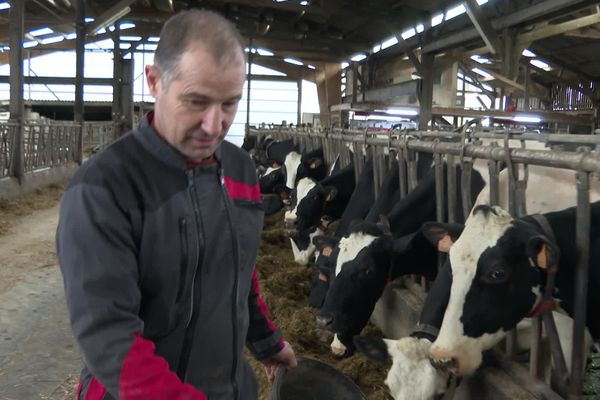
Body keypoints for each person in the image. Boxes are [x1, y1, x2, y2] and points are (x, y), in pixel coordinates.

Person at [56, 9, 297, 400]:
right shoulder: (105, 188)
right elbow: (109, 337)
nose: (214, 125)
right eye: (197, 102)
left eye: (230, 104)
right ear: (154, 81)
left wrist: (268, 342)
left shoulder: (240, 170)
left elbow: (238, 272)